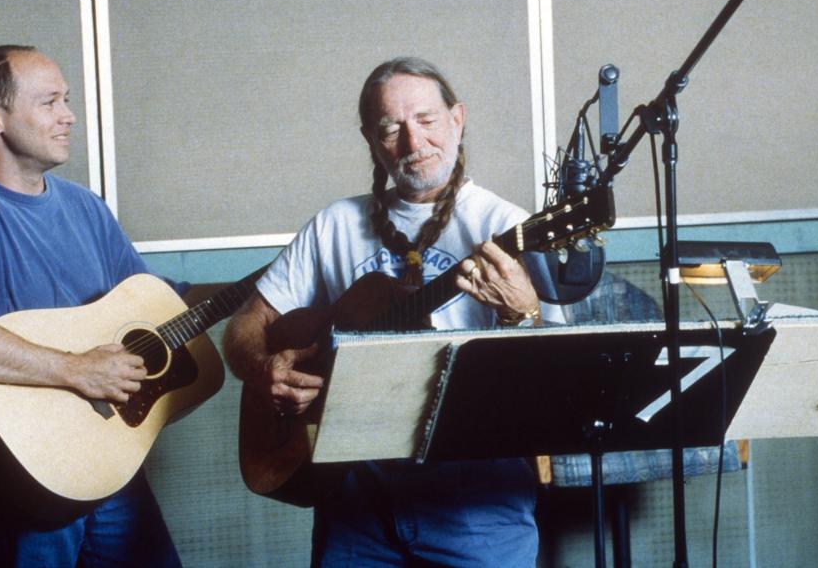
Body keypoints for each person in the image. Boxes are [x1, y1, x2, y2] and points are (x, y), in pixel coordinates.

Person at [223, 56, 564, 566]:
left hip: (476, 502)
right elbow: (245, 326)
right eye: (391, 128)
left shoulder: (507, 226)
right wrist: (262, 367)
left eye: (426, 120)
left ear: (458, 119)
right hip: (354, 499)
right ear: (369, 139)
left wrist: (524, 314)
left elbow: (555, 388)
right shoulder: (333, 225)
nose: (413, 142)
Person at [0, 45, 182, 567]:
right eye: (49, 102)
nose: (69, 115)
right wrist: (76, 370)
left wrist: (265, 294)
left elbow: (149, 302)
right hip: (23, 482)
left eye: (67, 100)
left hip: (111, 462)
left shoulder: (86, 207)